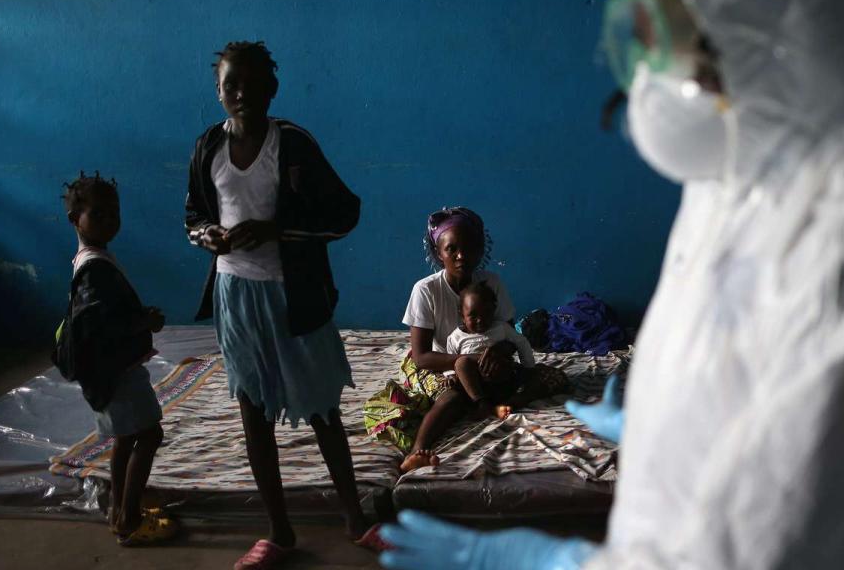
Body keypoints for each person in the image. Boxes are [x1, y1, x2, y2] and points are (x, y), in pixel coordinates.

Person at [379, 0, 844, 568]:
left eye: (678, 47)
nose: (654, 78)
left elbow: (756, 540)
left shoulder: (839, 253)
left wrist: (562, 560)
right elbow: (734, 361)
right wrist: (665, 422)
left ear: (770, 51)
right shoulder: (734, 186)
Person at [183, 40, 372, 568]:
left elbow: (345, 214)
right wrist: (208, 237)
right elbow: (193, 216)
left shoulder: (291, 144)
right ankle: (279, 532)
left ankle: (356, 518)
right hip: (234, 295)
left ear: (272, 87)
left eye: (251, 83)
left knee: (323, 411)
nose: (240, 93)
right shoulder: (207, 148)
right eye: (229, 85)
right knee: (253, 413)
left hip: (295, 295)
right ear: (218, 91)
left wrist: (275, 231)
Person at [363, 207, 568, 473]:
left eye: (470, 248)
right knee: (453, 398)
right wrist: (464, 362)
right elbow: (422, 355)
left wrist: (497, 356)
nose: (461, 256)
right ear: (439, 253)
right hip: (440, 363)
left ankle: (505, 403)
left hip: (485, 359)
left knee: (551, 378)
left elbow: (506, 334)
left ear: (481, 250)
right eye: (452, 249)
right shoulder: (426, 290)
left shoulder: (491, 284)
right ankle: (418, 451)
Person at [56, 172, 176, 546]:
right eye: (99, 214)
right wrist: (145, 322)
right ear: (76, 219)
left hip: (106, 372)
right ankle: (130, 518)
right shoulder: (95, 269)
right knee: (150, 434)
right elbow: (101, 322)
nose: (110, 221)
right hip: (118, 372)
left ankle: (119, 507)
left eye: (114, 214)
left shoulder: (89, 259)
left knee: (125, 439)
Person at [447, 281, 538, 420]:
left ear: (494, 310)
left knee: (531, 382)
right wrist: (450, 375)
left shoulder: (501, 328)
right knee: (461, 363)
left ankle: (510, 402)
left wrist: (529, 367)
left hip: (502, 380)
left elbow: (522, 342)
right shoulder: (455, 337)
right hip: (476, 386)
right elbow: (450, 359)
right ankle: (482, 404)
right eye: (473, 315)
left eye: (486, 313)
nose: (480, 320)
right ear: (462, 314)